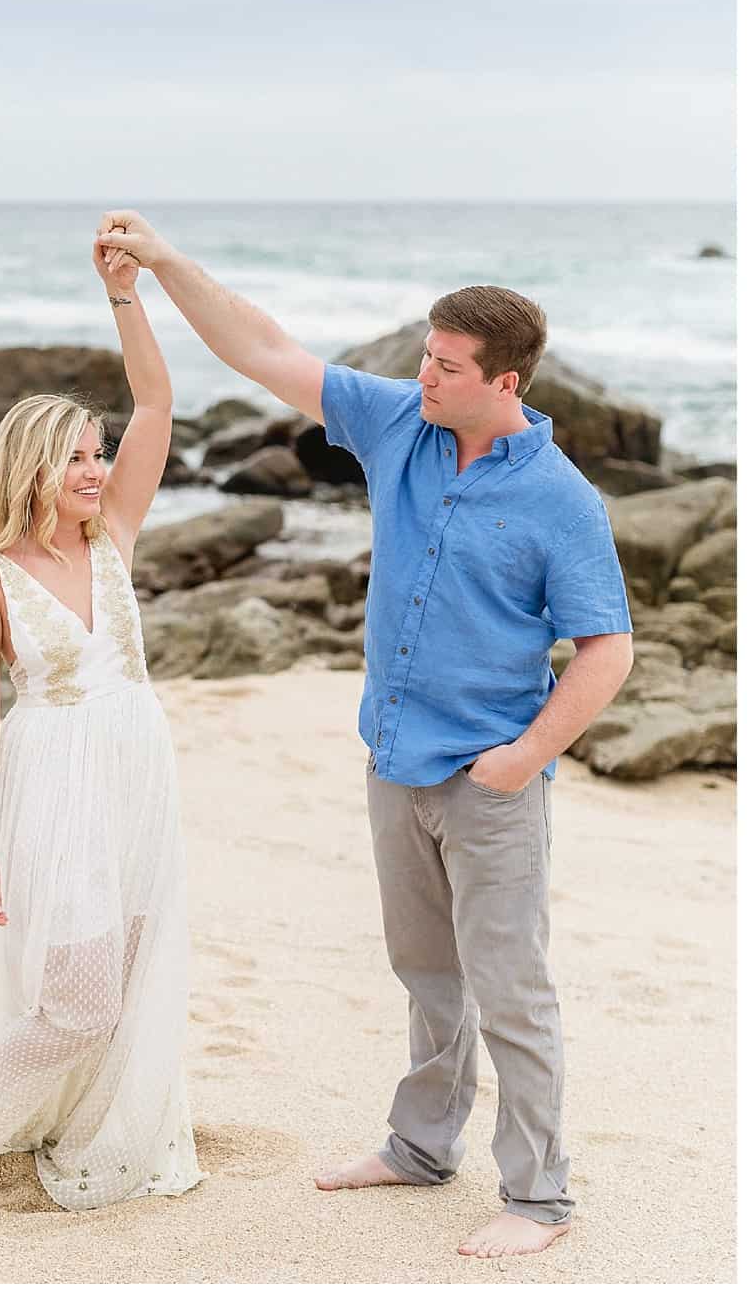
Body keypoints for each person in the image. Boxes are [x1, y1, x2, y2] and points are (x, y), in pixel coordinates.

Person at [95, 209, 634, 1259]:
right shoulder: (397, 422)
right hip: (393, 759)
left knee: (508, 988)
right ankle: (422, 1146)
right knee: (424, 972)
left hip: (491, 782)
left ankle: (536, 1196)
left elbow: (604, 650)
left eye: (444, 365)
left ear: (503, 382)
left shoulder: (561, 502)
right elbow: (262, 349)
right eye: (424, 357)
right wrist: (160, 265)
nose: (422, 374)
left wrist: (523, 756)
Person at [0, 228, 202, 1210]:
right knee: (78, 1002)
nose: (93, 470)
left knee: (126, 983)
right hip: (52, 785)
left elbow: (158, 403)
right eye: (76, 458)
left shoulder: (114, 539)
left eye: (98, 455)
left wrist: (123, 294)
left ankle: (89, 1118)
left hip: (138, 769)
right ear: (33, 467)